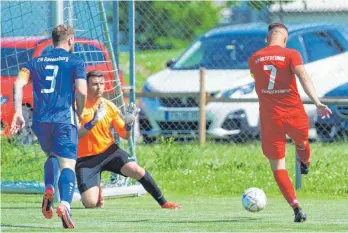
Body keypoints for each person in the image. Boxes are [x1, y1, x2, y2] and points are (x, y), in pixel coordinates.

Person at [248, 23, 332, 222]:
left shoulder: (254, 58)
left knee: (278, 167)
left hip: (270, 120)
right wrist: (318, 103)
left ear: (267, 40)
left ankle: (296, 208)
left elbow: (256, 79)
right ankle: (305, 161)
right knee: (302, 143)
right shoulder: (291, 54)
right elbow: (303, 76)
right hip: (294, 115)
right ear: (285, 40)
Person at [10, 24, 87, 229]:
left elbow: (18, 83)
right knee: (68, 164)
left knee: (52, 156)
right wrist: (79, 112)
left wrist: (18, 111)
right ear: (71, 40)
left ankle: (50, 187)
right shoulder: (75, 61)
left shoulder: (34, 62)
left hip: (40, 121)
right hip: (63, 119)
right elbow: (81, 91)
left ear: (53, 40)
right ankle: (65, 205)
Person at [76, 70, 181, 209]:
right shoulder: (77, 107)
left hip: (109, 151)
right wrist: (93, 122)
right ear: (86, 86)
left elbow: (124, 135)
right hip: (86, 159)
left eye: (101, 83)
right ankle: (97, 189)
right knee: (90, 203)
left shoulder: (109, 106)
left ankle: (164, 202)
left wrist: (129, 123)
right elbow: (76, 134)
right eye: (95, 84)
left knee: (136, 169)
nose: (99, 87)